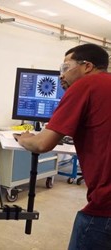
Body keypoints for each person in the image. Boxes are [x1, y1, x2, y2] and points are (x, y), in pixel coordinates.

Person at [14, 43, 111, 250]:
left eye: (66, 68)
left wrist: (23, 138)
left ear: (87, 66)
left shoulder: (86, 85)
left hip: (106, 208)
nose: (61, 75)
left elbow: (42, 144)